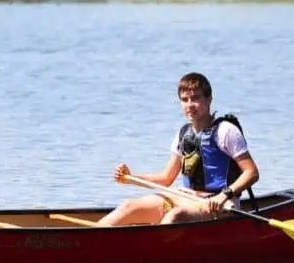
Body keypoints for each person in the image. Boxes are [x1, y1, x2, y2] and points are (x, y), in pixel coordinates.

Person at [97, 72, 260, 227]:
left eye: (195, 98)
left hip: (219, 204)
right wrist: (130, 178)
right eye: (185, 99)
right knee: (128, 206)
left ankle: (154, 250)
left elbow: (251, 173)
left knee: (175, 216)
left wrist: (224, 195)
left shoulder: (226, 131)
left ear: (209, 99)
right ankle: (89, 241)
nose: (190, 105)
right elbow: (166, 178)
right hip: (185, 197)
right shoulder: (183, 134)